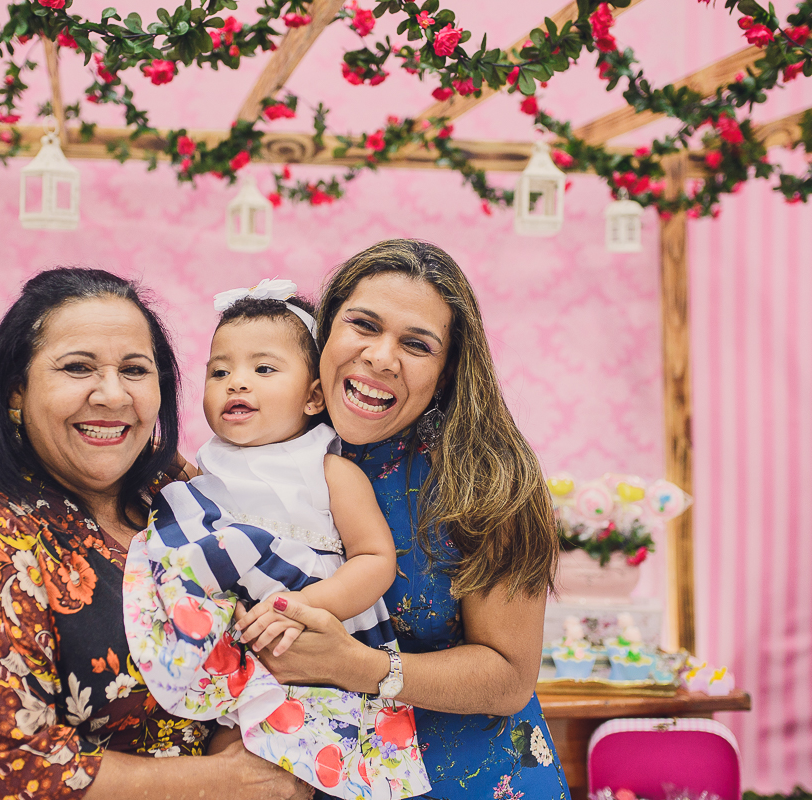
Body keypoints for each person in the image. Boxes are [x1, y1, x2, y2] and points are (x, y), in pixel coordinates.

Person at [0, 268, 310, 800]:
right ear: (16, 393)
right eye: (77, 367)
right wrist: (222, 781)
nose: (113, 395)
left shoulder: (173, 495)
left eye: (136, 370)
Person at [236, 241, 571, 799]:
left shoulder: (488, 480)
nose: (381, 357)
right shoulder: (267, 443)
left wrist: (360, 666)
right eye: (363, 325)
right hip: (321, 776)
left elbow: (511, 678)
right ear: (324, 331)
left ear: (446, 371)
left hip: (470, 779)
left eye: (416, 344)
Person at [123, 281, 430, 800]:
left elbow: (375, 559)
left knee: (312, 765)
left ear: (313, 395)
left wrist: (304, 605)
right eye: (220, 371)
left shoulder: (326, 467)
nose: (235, 384)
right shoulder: (205, 467)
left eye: (263, 370)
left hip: (315, 642)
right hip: (239, 644)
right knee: (235, 761)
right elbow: (211, 523)